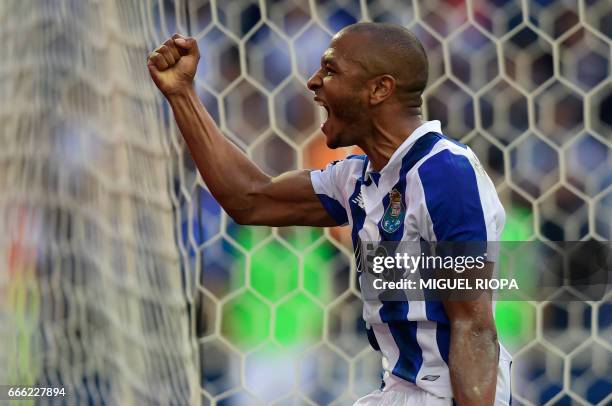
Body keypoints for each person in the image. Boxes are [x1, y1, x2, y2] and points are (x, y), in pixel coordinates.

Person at [148, 22, 512, 406]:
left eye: (331, 70)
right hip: (399, 388)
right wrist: (182, 95)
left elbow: (473, 326)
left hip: (447, 396)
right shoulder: (358, 178)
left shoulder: (445, 173)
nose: (313, 81)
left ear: (379, 89)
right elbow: (249, 199)